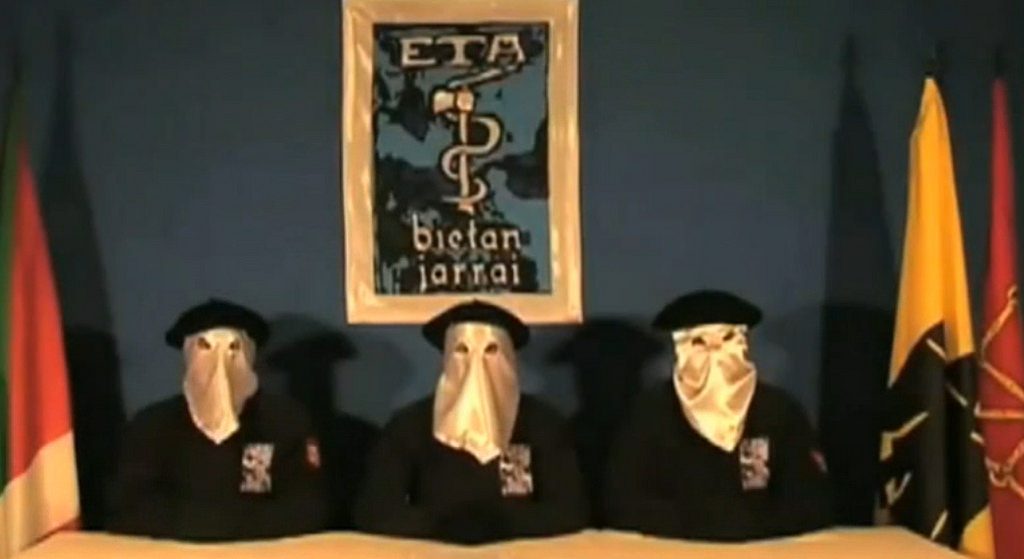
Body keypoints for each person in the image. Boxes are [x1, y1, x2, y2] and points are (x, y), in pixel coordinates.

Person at [605, 290, 832, 541]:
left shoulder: (779, 411)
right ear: (680, 349)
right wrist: (698, 526)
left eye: (727, 338)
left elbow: (811, 498)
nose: (714, 353)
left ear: (744, 344)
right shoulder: (650, 414)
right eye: (699, 342)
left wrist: (748, 525)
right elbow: (624, 500)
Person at [354, 300, 587, 544]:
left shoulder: (543, 424)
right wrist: (439, 524)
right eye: (462, 350)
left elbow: (570, 509)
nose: (476, 363)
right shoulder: (410, 426)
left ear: (509, 358)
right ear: (446, 358)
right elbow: (374, 510)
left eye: (491, 350)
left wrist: (502, 522)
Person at [106, 298, 329, 541]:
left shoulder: (285, 421)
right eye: (206, 347)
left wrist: (232, 528)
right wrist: (205, 526)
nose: (220, 365)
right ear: (189, 356)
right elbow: (128, 505)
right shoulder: (153, 425)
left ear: (249, 356)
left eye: (233, 348)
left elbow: (309, 506)